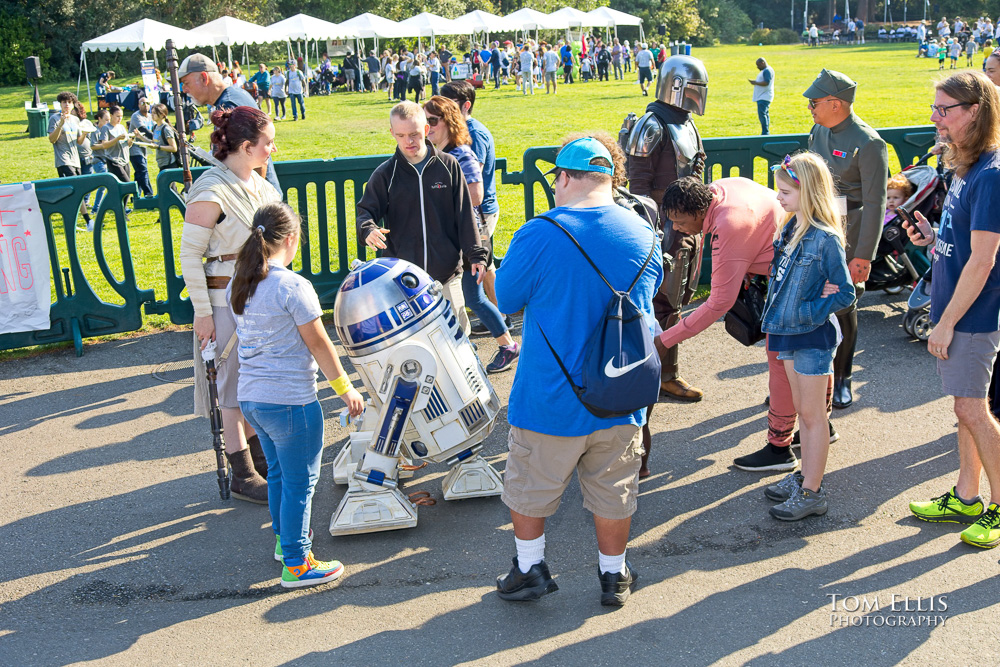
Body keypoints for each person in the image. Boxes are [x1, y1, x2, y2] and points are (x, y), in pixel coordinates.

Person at [493, 137, 662, 606]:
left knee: (529, 488)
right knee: (615, 491)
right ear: (610, 179)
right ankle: (615, 575)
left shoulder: (540, 232)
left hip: (551, 395)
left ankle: (529, 568)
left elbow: (505, 300)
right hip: (621, 394)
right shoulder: (643, 231)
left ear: (563, 178)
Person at [228, 201, 363, 587]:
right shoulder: (292, 286)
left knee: (279, 476)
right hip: (289, 400)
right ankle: (297, 562)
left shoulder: (242, 281)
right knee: (301, 480)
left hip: (252, 399)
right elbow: (320, 344)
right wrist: (346, 388)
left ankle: (284, 542)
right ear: (291, 239)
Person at [904, 71, 1000, 549]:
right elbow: (965, 243)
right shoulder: (966, 167)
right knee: (965, 408)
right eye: (935, 108)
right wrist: (933, 237)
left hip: (973, 317)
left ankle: (997, 506)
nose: (935, 118)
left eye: (944, 110)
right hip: (958, 311)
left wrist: (944, 323)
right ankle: (967, 496)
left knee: (973, 409)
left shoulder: (991, 174)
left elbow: (984, 260)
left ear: (975, 112)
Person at [180, 106, 282, 504]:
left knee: (254, 383)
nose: (273, 149)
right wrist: (203, 313)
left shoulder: (260, 185)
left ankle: (260, 462)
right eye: (267, 143)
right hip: (225, 300)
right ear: (245, 146)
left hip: (262, 297)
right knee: (230, 389)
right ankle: (242, 472)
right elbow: (191, 256)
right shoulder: (211, 189)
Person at [761, 154, 856, 520]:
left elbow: (845, 293)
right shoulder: (790, 228)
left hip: (812, 336)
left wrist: (812, 310)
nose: (779, 197)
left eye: (785, 191)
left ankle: (812, 491)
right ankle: (805, 476)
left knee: (814, 417)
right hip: (786, 334)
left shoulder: (825, 238)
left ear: (808, 192)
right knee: (803, 411)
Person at [356, 101, 487, 335]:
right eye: (401, 135)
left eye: (415, 134)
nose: (409, 141)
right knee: (413, 345)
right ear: (392, 134)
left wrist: (476, 253)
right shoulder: (386, 173)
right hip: (403, 281)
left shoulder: (449, 166)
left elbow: (464, 214)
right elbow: (365, 212)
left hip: (447, 275)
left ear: (426, 130)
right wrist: (368, 229)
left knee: (458, 338)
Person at [623, 55, 708, 403]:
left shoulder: (685, 122)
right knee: (659, 301)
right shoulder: (651, 124)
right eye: (694, 88)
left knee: (676, 300)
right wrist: (653, 230)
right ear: (676, 86)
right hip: (661, 224)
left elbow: (695, 170)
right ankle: (657, 374)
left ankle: (661, 372)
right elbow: (639, 186)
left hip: (685, 222)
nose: (698, 95)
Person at [804, 69, 889, 409]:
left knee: (843, 305)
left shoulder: (869, 143)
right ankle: (809, 377)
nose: (810, 108)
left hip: (849, 231)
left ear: (836, 104)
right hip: (817, 224)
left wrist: (863, 255)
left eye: (815, 102)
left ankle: (842, 377)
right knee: (810, 300)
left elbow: (875, 203)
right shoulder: (818, 130)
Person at [424, 96, 520, 372]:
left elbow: (476, 195)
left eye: (432, 121)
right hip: (451, 240)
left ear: (449, 122)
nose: (427, 127)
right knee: (464, 295)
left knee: (473, 296)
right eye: (424, 121)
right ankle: (477, 346)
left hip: (471, 238)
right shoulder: (433, 154)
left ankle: (506, 345)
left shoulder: (460, 154)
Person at [439, 81, 505, 324]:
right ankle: (501, 317)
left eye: (450, 104)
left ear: (466, 105)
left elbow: (471, 180)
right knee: (487, 268)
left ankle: (500, 322)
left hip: (480, 212)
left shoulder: (473, 134)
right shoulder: (461, 130)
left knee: (477, 270)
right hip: (477, 211)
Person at [178, 53, 282, 197]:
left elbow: (258, 157)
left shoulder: (229, 105)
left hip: (258, 203)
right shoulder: (234, 95)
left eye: (186, 83)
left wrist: (256, 201)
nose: (184, 89)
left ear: (204, 78)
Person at [90, 105, 132, 188]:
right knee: (127, 185)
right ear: (111, 116)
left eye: (121, 116)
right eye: (117, 116)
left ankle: (120, 201)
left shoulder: (121, 127)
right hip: (114, 161)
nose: (120, 119)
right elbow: (104, 145)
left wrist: (133, 138)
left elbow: (128, 145)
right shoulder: (106, 128)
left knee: (124, 188)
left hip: (125, 160)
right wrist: (117, 138)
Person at [48, 92, 84, 179]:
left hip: (76, 161)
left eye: (69, 102)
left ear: (73, 105)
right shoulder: (54, 118)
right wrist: (61, 124)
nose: (67, 104)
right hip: (63, 160)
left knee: (78, 188)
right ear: (60, 104)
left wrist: (85, 133)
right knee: (73, 185)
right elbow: (52, 140)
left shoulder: (75, 120)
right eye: (64, 102)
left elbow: (79, 141)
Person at [128, 97, 155, 198]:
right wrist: (155, 138)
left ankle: (136, 195)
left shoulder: (150, 116)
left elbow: (155, 128)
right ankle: (149, 194)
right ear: (139, 105)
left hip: (145, 148)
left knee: (139, 173)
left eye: (148, 103)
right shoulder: (136, 116)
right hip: (135, 147)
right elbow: (143, 129)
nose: (145, 105)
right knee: (143, 170)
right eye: (143, 103)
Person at [150, 103, 180, 171]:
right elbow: (154, 142)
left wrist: (158, 147)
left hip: (169, 164)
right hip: (161, 163)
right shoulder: (155, 127)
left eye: (154, 113)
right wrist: (140, 137)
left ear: (162, 115)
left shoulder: (166, 129)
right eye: (152, 113)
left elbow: (173, 148)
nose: (152, 115)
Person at [750, 57, 775, 135]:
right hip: (763, 96)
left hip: (764, 96)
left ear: (762, 63)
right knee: (764, 114)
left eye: (758, 65)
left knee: (762, 114)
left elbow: (766, 82)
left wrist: (755, 82)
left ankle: (765, 132)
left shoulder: (767, 71)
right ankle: (765, 131)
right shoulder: (766, 70)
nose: (757, 67)